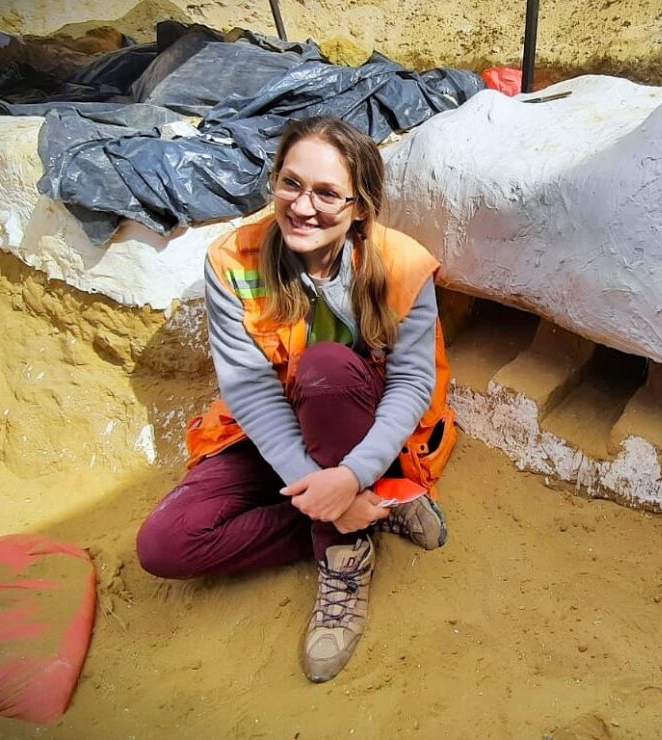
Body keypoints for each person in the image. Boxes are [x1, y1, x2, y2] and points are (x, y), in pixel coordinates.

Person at [136, 116, 458, 683]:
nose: (302, 207)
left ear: (361, 206)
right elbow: (252, 391)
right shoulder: (233, 260)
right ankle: (372, 508)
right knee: (165, 545)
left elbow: (411, 383)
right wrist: (336, 490)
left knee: (326, 367)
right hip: (274, 434)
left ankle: (343, 553)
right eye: (291, 183)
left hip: (362, 428)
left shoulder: (402, 264)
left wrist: (353, 470)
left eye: (327, 193)